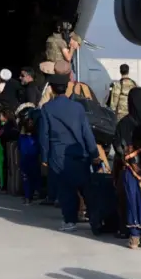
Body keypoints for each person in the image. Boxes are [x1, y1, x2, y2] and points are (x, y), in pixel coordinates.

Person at [39, 72, 100, 232]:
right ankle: (95, 219)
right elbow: (86, 132)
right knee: (86, 188)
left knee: (65, 190)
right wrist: (94, 154)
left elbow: (44, 135)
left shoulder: (46, 108)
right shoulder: (78, 107)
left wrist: (44, 158)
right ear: (67, 88)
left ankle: (70, 220)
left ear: (51, 89)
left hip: (58, 155)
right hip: (80, 153)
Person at [112, 87, 141, 249]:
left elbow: (117, 145)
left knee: (132, 200)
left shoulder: (124, 123)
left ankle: (134, 237)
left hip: (130, 171)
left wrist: (127, 157)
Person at [0, 109, 19, 194]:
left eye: (0, 116)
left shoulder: (6, 127)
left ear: (5, 117)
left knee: (6, 168)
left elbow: (1, 136)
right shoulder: (13, 125)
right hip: (11, 150)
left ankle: (5, 187)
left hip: (7, 149)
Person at [18, 117, 41, 205]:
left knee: (34, 178)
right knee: (26, 179)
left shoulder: (36, 136)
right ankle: (28, 197)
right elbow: (20, 148)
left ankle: (33, 194)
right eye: (29, 123)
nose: (30, 125)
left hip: (33, 160)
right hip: (25, 160)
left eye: (31, 123)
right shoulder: (22, 137)